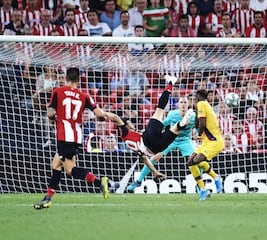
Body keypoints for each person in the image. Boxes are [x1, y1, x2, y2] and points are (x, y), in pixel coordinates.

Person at [33, 67, 111, 210]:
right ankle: (47, 198)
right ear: (78, 80)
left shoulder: (57, 91)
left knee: (69, 170)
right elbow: (100, 115)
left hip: (64, 135)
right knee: (55, 164)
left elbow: (50, 114)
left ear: (65, 78)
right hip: (76, 135)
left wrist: (58, 117)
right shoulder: (84, 96)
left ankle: (100, 182)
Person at [106, 75, 194, 180]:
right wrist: (103, 113)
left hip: (157, 148)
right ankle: (171, 83)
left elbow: (145, 160)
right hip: (148, 138)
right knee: (159, 110)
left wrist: (155, 172)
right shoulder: (126, 133)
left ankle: (181, 123)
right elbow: (116, 117)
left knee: (176, 129)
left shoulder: (130, 143)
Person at [126, 96, 196, 192]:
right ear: (178, 104)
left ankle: (199, 185)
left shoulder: (193, 116)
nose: (183, 104)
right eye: (181, 102)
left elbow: (198, 127)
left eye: (185, 102)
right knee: (154, 157)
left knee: (195, 160)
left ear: (188, 104)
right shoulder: (172, 114)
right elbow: (162, 124)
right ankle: (138, 181)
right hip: (172, 140)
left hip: (185, 140)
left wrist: (198, 134)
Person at [187, 90, 224, 201]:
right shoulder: (202, 106)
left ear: (198, 97)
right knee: (190, 162)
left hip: (214, 142)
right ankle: (204, 189)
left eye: (195, 97)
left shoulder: (202, 104)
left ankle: (216, 178)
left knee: (197, 160)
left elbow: (202, 124)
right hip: (207, 142)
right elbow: (198, 123)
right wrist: (195, 113)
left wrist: (198, 134)